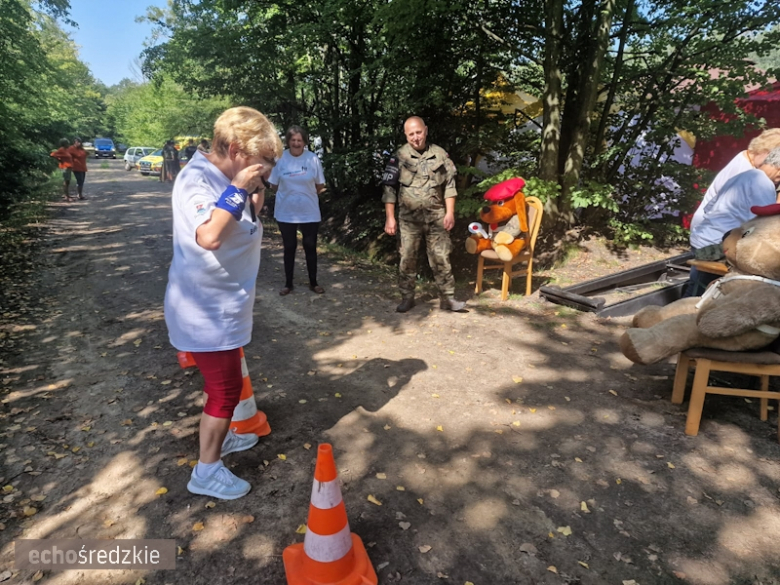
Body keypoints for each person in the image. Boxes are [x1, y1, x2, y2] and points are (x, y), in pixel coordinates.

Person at [164, 106, 282, 499]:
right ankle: (206, 471)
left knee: (225, 387)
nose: (265, 170)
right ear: (234, 149)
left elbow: (249, 216)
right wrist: (239, 187)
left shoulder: (231, 176)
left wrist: (254, 186)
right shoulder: (197, 180)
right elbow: (210, 236)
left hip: (225, 306)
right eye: (261, 162)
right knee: (226, 390)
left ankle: (223, 440)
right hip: (204, 311)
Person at [382, 116, 465, 312]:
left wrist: (450, 213)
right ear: (406, 135)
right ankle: (407, 297)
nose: (416, 137)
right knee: (407, 259)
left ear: (425, 130)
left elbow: (450, 186)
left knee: (441, 257)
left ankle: (448, 298)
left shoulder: (440, 155)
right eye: (411, 134)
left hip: (436, 217)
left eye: (418, 132)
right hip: (408, 220)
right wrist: (390, 217)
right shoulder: (399, 157)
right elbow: (389, 189)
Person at [685, 129, 780, 296]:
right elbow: (765, 225)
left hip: (702, 238)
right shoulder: (763, 183)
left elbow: (709, 206)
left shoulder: (745, 174)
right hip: (716, 246)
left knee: (696, 286)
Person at [268, 125, 327, 295]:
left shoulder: (313, 159)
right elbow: (273, 185)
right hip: (286, 211)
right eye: (293, 140)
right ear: (288, 141)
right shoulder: (280, 159)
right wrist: (290, 194)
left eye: (299, 140)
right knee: (289, 247)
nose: (296, 143)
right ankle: (288, 284)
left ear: (304, 142)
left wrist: (304, 194)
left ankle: (314, 282)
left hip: (309, 211)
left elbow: (320, 185)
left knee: (310, 246)